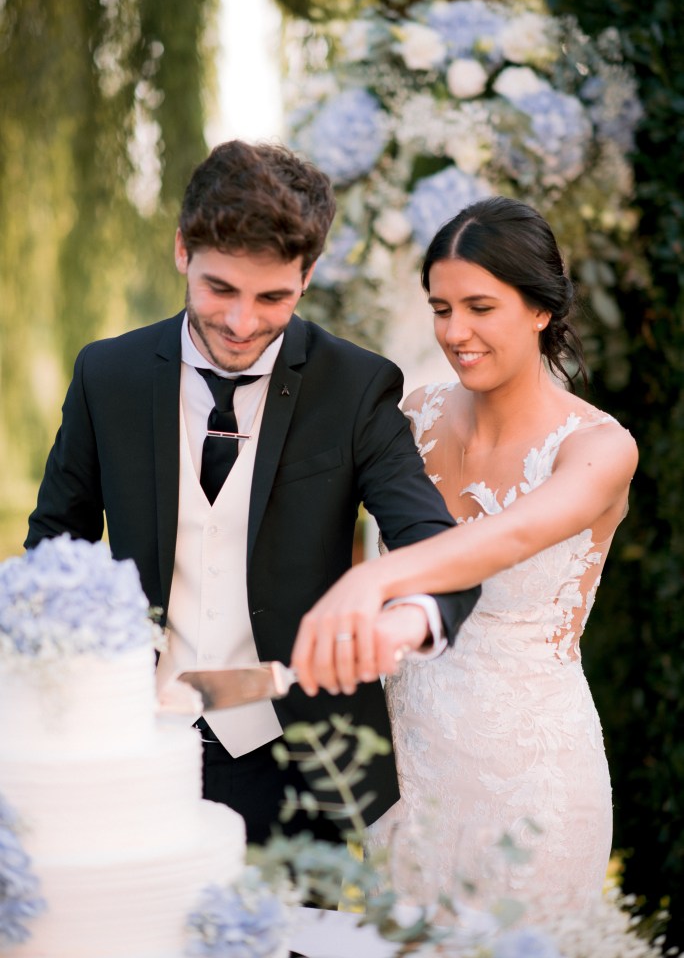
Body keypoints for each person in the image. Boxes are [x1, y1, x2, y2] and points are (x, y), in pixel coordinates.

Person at [25, 139, 480, 845]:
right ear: (183, 250)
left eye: (273, 297)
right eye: (220, 289)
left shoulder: (355, 387)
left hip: (296, 760)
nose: (241, 323)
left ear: (309, 274)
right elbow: (55, 546)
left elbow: (434, 544)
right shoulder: (106, 375)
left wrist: (403, 622)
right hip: (129, 746)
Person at [291, 196, 638, 910]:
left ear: (540, 309)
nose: (455, 332)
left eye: (480, 307)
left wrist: (372, 582)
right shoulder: (412, 414)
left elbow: (506, 539)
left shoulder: (600, 449)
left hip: (532, 777)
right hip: (406, 771)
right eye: (441, 309)